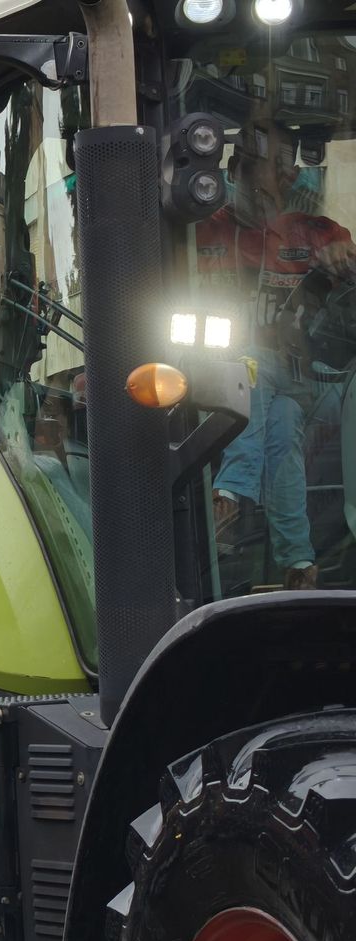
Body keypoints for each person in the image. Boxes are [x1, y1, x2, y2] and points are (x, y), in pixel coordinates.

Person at [202, 110, 356, 589]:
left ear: (292, 173)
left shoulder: (317, 232)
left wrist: (343, 261)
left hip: (313, 376)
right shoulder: (201, 229)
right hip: (242, 381)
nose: (270, 170)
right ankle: (297, 561)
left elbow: (350, 269)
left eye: (277, 162)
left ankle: (230, 496)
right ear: (231, 171)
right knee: (281, 428)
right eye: (250, 159)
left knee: (255, 369)